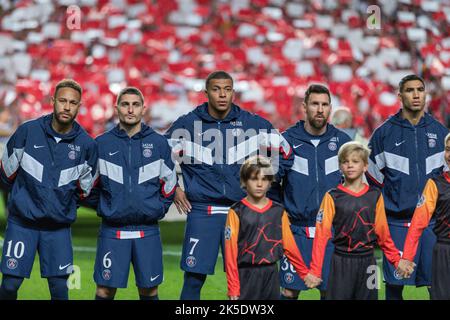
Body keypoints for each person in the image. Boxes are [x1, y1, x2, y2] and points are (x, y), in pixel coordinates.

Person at [165, 70, 291, 300]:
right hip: (203, 212)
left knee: (249, 274)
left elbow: (285, 152)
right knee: (194, 277)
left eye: (227, 89)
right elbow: (161, 157)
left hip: (244, 211)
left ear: (233, 92)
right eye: (216, 89)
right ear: (206, 93)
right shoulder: (187, 125)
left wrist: (268, 183)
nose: (222, 94)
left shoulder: (254, 124)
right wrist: (174, 187)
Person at [0, 79, 98, 300]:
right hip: (22, 224)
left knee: (59, 289)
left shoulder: (87, 146)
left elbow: (84, 191)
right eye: (62, 100)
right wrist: (23, 201)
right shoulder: (27, 131)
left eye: (72, 102)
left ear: (79, 106)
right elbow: (6, 174)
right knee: (9, 285)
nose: (66, 106)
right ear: (53, 101)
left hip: (57, 229)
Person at [89, 87, 177, 300]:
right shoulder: (101, 144)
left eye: (135, 105)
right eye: (125, 104)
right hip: (112, 231)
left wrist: (156, 209)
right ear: (116, 108)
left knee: (150, 290)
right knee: (104, 290)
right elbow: (87, 186)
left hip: (147, 231)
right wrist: (104, 207)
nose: (130, 109)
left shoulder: (158, 144)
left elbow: (170, 183)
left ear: (143, 109)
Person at [366, 74, 449, 300]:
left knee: (439, 287)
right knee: (394, 287)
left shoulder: (440, 132)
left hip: (433, 226)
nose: (415, 95)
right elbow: (373, 182)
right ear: (400, 95)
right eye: (410, 90)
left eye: (420, 90)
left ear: (425, 94)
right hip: (396, 224)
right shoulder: (383, 135)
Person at [305, 141, 414, 300]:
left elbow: (383, 235)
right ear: (340, 167)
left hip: (369, 263)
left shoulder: (375, 195)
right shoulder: (332, 196)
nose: (350, 165)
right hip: (340, 262)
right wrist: (315, 270)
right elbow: (321, 236)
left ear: (365, 166)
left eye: (355, 161)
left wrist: (397, 261)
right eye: (345, 161)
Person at [277, 84, 352, 300]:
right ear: (305, 107)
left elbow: (352, 185)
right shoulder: (286, 140)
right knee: (290, 291)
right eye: (315, 104)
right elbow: (272, 185)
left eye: (325, 105)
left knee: (330, 291)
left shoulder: (343, 142)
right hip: (296, 232)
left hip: (332, 233)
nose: (320, 109)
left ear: (330, 108)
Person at [224, 156, 309, 300]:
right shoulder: (236, 211)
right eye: (253, 179)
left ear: (270, 183)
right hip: (246, 275)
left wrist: (304, 273)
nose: (259, 184)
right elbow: (230, 252)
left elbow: (289, 246)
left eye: (264, 179)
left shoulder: (278, 211)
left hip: (271, 274)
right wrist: (233, 287)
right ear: (244, 181)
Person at [401, 133, 450, 300]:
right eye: (448, 150)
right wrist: (407, 257)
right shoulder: (434, 184)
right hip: (443, 252)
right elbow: (417, 224)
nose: (449, 155)